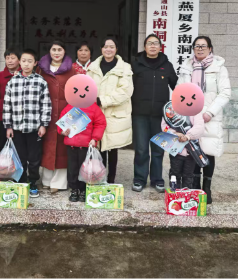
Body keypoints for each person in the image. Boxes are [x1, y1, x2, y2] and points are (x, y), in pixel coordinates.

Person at [177, 36, 231, 204]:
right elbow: (180, 90)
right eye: (197, 46)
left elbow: (225, 93)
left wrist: (210, 113)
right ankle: (194, 185)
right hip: (190, 115)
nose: (200, 49)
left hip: (209, 117)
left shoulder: (219, 68)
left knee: (208, 150)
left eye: (203, 46)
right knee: (192, 150)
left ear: (210, 49)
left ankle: (206, 187)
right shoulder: (187, 67)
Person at [131, 34, 178, 193]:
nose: (152, 46)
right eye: (149, 43)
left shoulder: (167, 65)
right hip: (140, 114)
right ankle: (139, 179)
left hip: (160, 116)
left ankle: (157, 179)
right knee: (141, 149)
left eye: (155, 43)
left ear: (160, 47)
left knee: (158, 149)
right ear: (144, 47)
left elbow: (177, 87)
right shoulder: (136, 64)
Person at [4, 49, 52, 198]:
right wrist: (8, 126)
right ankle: (21, 181)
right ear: (19, 62)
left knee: (34, 158)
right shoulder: (13, 81)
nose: (26, 64)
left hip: (34, 128)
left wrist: (44, 124)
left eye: (30, 61)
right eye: (23, 61)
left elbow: (46, 105)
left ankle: (32, 182)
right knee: (19, 157)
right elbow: (7, 105)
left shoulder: (41, 82)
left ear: (35, 63)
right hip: (17, 128)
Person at [87, 37, 134, 184]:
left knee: (113, 149)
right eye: (106, 46)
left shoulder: (125, 68)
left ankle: (111, 180)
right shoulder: (92, 68)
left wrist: (102, 100)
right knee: (98, 147)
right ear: (101, 49)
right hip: (97, 113)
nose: (108, 49)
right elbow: (87, 88)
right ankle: (99, 179)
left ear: (116, 49)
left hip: (115, 113)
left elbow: (125, 91)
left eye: (112, 47)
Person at [37, 40, 76, 193]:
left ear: (64, 51)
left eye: (60, 49)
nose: (57, 53)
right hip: (46, 112)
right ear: (49, 51)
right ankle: (46, 180)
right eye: (54, 49)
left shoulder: (71, 70)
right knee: (47, 145)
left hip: (65, 112)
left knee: (62, 146)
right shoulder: (41, 69)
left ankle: (59, 182)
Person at [59, 102, 106, 203]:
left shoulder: (94, 108)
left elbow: (100, 123)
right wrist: (62, 131)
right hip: (71, 145)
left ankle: (84, 189)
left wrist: (95, 138)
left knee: (86, 169)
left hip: (86, 145)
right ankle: (74, 189)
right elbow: (62, 121)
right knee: (72, 168)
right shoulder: (70, 106)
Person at [163, 110, 205, 189]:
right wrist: (175, 134)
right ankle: (175, 193)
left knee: (188, 176)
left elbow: (200, 127)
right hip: (176, 150)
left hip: (191, 151)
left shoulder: (195, 111)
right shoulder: (171, 109)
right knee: (175, 174)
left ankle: (186, 194)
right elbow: (165, 127)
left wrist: (188, 136)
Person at [0, 47, 21, 153]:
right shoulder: (0, 76)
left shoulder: (24, 75)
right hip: (4, 116)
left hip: (20, 116)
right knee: (3, 144)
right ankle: (2, 163)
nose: (10, 61)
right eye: (7, 58)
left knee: (19, 146)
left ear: (19, 60)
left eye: (13, 58)